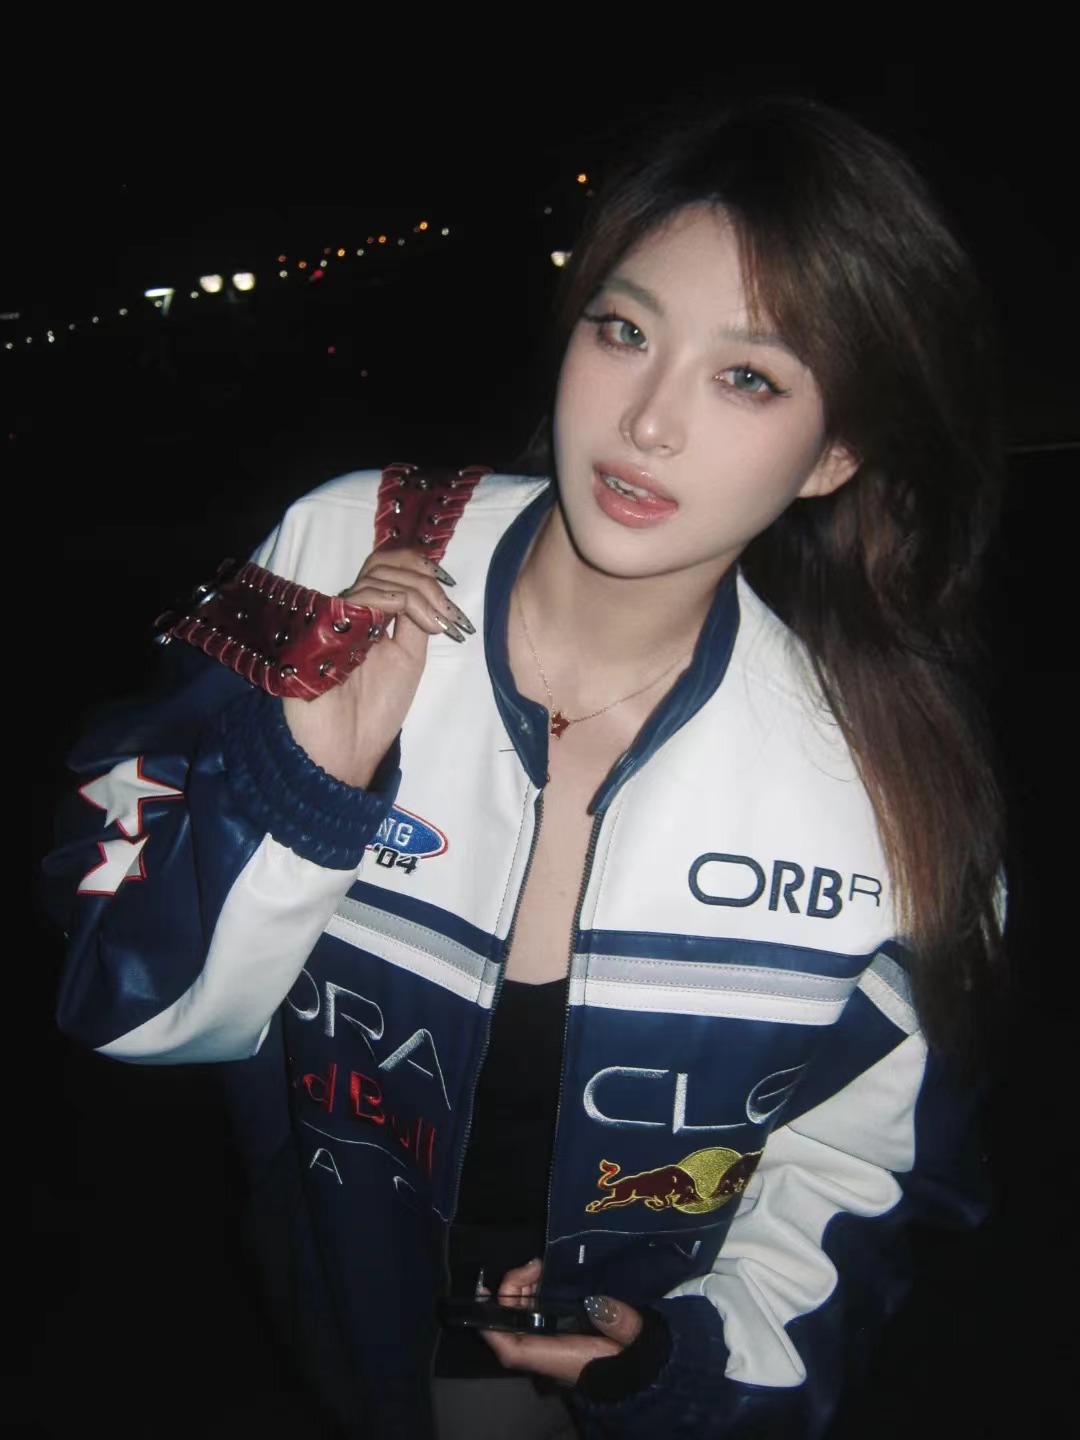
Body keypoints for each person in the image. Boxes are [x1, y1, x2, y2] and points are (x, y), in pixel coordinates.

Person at [43, 94, 1006, 1439]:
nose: (648, 423)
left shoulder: (886, 800)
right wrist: (302, 775)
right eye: (625, 331)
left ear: (834, 452)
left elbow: (862, 1175)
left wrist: (679, 1361)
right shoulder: (339, 551)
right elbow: (131, 1003)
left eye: (749, 378)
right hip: (337, 1327)